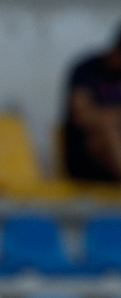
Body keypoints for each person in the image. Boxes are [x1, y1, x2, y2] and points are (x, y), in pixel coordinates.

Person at [63, 27, 121, 182]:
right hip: (83, 156)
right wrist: (113, 116)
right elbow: (81, 116)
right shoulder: (86, 70)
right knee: (107, 127)